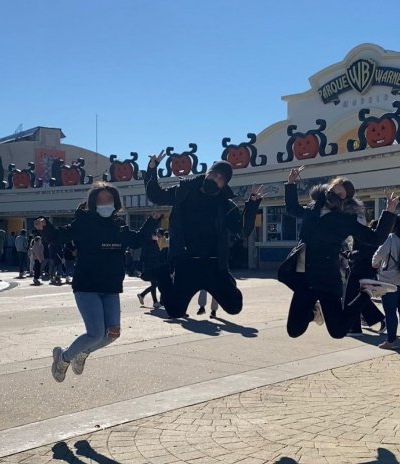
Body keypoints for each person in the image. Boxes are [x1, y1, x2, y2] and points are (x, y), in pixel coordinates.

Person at [35, 182, 160, 382]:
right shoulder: (83, 223)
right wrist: (45, 227)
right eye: (100, 200)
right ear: (93, 203)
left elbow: (136, 240)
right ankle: (63, 358)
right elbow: (59, 236)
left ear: (115, 202)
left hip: (110, 287)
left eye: (108, 200)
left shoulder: (119, 226)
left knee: (112, 334)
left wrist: (152, 222)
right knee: (95, 333)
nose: (105, 204)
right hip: (87, 285)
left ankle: (82, 354)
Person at [278, 166, 398, 339]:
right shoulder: (312, 210)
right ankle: (315, 313)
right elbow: (293, 209)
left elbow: (374, 238)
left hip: (327, 279)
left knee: (338, 331)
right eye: (332, 191)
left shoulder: (345, 220)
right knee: (294, 330)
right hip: (304, 277)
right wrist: (290, 184)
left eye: (340, 195)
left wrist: (389, 213)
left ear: (346, 200)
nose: (334, 196)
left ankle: (366, 292)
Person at [144, 151, 261, 319]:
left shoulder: (226, 204)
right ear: (207, 173)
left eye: (221, 179)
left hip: (214, 264)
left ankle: (227, 281)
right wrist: (152, 169)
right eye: (214, 175)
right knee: (175, 311)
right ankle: (163, 274)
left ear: (224, 185)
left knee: (234, 306)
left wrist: (252, 206)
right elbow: (156, 195)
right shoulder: (184, 191)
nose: (216, 180)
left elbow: (242, 230)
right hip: (186, 262)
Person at [345, 219, 386, 336]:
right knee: (357, 297)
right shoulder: (370, 234)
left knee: (353, 297)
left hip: (361, 270)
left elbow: (365, 252)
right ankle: (358, 326)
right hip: (364, 269)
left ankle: (355, 328)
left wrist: (350, 254)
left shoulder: (368, 234)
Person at [372, 214, 400, 349]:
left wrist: (375, 263)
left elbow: (379, 254)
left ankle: (391, 341)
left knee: (390, 312)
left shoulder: (391, 238)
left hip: (389, 281)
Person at [137, 232, 162, 308]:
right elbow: (143, 256)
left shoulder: (155, 243)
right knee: (155, 283)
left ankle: (143, 295)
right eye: (155, 235)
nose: (156, 236)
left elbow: (158, 255)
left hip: (155, 266)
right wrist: (139, 268)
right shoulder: (148, 244)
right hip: (150, 266)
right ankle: (153, 301)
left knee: (155, 284)